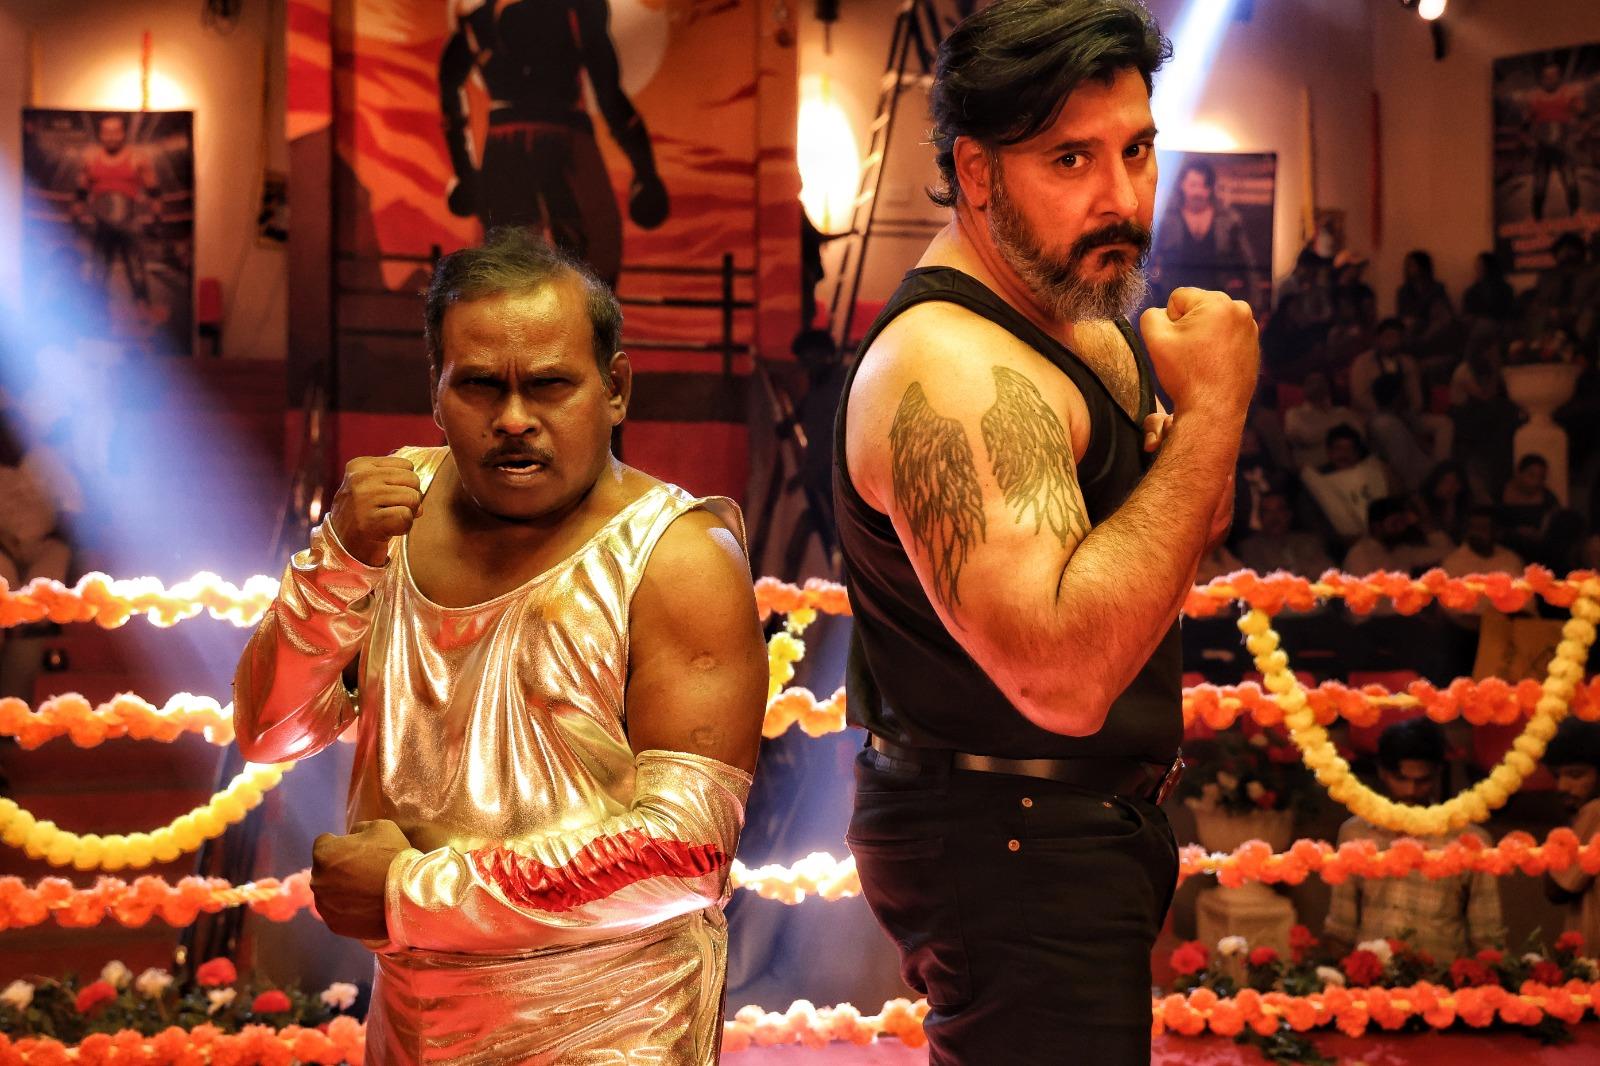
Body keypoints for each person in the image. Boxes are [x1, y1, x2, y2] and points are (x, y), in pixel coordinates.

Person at [233, 230, 767, 1064]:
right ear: (437, 391)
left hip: (611, 1031)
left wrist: (412, 892)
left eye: (549, 384)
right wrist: (337, 561)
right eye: (481, 385)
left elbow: (686, 852)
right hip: (412, 1024)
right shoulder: (388, 518)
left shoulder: (678, 557)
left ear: (615, 389)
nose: (515, 419)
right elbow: (269, 729)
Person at [832, 2, 1253, 1060]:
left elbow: (1175, 538)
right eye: (1070, 159)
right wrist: (1212, 412)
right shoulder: (953, 369)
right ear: (976, 174)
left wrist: (1195, 449)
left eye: (1135, 150)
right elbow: (1061, 679)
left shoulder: (1073, 311)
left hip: (1059, 832)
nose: (1121, 198)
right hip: (1008, 841)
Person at [438, 0, 671, 286]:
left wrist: (464, 172)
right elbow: (610, 96)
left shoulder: (478, 25)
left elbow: (449, 84)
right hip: (565, 143)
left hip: (510, 151)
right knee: (593, 258)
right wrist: (645, 171)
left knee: (511, 269)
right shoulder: (579, 15)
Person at [1323, 719, 1504, 961]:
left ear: (1438, 773)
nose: (1410, 790)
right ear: (1382, 772)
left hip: (1441, 978)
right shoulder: (1355, 833)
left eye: (1422, 781)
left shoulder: (1470, 840)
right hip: (1371, 977)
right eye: (1401, 779)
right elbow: (1341, 929)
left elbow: (1487, 937)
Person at [73, 113, 158, 310]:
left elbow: (154, 191)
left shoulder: (138, 158)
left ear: (123, 134)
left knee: (136, 270)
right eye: (107, 132)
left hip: (129, 222)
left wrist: (156, 217)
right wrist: (76, 216)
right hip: (102, 224)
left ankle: (142, 310)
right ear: (101, 134)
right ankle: (96, 314)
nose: (111, 136)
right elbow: (81, 191)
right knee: (99, 272)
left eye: (115, 132)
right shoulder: (90, 158)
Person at [1149, 158, 1258, 303]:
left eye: (1204, 186)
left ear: (1211, 188)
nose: (1198, 192)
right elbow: (1148, 260)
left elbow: (1248, 265)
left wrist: (1255, 303)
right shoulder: (1165, 218)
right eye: (1193, 185)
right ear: (1182, 184)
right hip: (1171, 303)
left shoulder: (1229, 220)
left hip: (1218, 304)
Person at [1545, 720, 1600, 952]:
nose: (1562, 786)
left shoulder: (1595, 810)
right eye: (1557, 776)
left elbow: (1557, 889)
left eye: (1575, 775)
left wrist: (1559, 840)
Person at [1300, 424, 1395, 544]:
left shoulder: (1373, 472)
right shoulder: (1317, 483)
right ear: (1329, 452)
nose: (1344, 454)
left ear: (1358, 453)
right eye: (1338, 449)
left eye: (1350, 449)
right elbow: (1314, 524)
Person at [1236, 489, 1333, 578]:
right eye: (1267, 511)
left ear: (1288, 514)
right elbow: (1258, 577)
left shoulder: (1310, 542)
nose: (1274, 517)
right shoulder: (1250, 548)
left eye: (1280, 510)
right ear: (1260, 517)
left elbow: (1326, 571)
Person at [1282, 371, 1362, 471]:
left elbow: (1359, 434)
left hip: (1348, 465)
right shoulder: (1294, 414)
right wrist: (1337, 430)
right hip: (1315, 470)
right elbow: (1305, 437)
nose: (1316, 387)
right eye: (1312, 384)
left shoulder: (1342, 413)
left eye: (1321, 384)